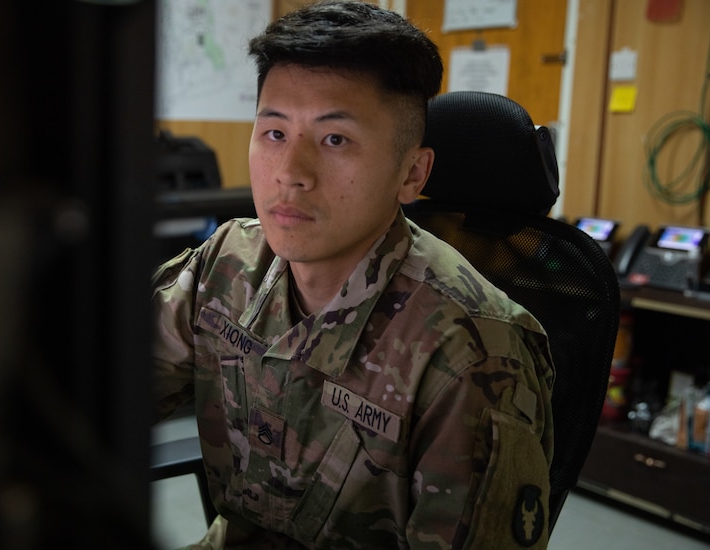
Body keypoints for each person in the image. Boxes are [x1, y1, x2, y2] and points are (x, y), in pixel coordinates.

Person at [152, 1, 554, 548]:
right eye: (273, 133)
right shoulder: (229, 261)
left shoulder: (472, 357)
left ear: (412, 173)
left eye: (334, 139)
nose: (290, 174)